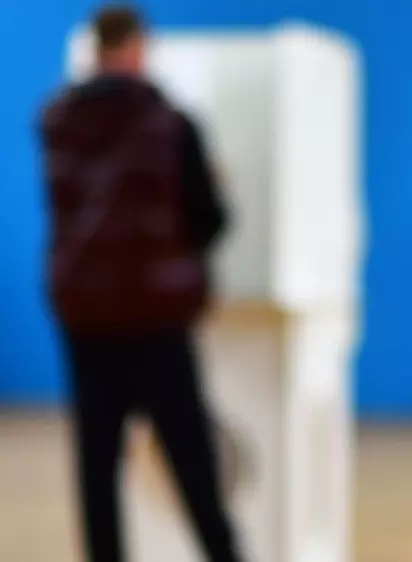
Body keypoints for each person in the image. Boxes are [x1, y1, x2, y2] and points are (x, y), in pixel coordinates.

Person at [39, 5, 243, 562]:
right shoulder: (170, 123)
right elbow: (207, 221)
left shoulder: (57, 122)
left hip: (85, 314)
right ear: (136, 48)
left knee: (97, 462)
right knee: (191, 457)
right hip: (156, 315)